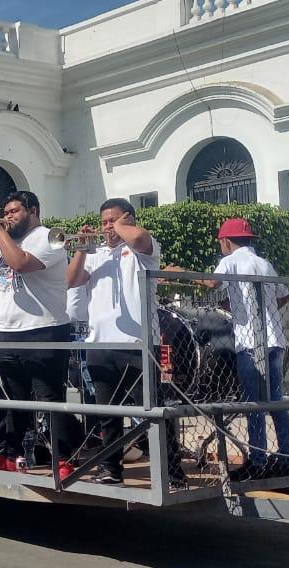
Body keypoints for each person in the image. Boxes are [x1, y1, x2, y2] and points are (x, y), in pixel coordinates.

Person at [68, 198, 185, 487]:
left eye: (113, 220)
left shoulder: (142, 249)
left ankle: (172, 472)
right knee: (108, 414)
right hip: (100, 345)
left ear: (128, 219)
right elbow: (71, 280)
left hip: (138, 343)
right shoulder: (95, 255)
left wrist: (120, 227)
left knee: (152, 412)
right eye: (103, 222)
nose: (106, 227)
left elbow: (138, 237)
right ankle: (111, 470)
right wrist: (82, 247)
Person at [0, 191, 75, 478]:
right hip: (7, 332)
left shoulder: (49, 237)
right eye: (6, 212)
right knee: (15, 399)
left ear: (33, 210)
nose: (8, 216)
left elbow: (21, 263)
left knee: (48, 398)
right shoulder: (3, 242)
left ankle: (61, 459)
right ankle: (11, 455)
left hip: (44, 329)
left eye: (14, 211)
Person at [171, 218, 289, 481]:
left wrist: (180, 271)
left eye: (220, 243)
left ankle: (257, 461)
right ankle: (287, 459)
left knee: (253, 404)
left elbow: (212, 283)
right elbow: (284, 296)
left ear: (226, 241)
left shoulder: (231, 261)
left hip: (250, 344)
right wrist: (252, 309)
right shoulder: (264, 263)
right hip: (274, 341)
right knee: (276, 402)